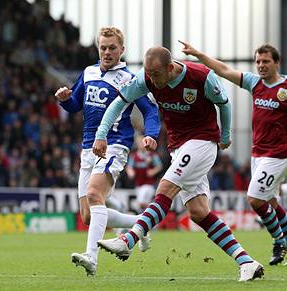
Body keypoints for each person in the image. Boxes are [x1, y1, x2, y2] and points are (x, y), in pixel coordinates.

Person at [93, 46, 263, 282]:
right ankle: (247, 262)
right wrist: (101, 134)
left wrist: (224, 136)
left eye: (157, 75)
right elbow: (118, 103)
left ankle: (127, 241)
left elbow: (224, 104)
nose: (152, 81)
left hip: (202, 142)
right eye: (149, 75)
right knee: (198, 212)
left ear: (170, 68)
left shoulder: (202, 77)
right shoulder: (146, 78)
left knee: (165, 188)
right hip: (178, 148)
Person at [180, 40, 287, 266]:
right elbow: (224, 70)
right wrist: (199, 54)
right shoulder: (255, 83)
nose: (261, 65)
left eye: (265, 61)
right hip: (258, 155)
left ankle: (279, 241)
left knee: (255, 200)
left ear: (277, 62)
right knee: (271, 202)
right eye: (257, 61)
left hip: (278, 156)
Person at [54, 27, 160, 276]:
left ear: (122, 50)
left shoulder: (130, 79)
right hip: (88, 147)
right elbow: (75, 104)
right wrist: (64, 99)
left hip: (114, 144)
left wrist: (150, 135)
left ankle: (91, 257)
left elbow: (150, 111)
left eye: (112, 47)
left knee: (93, 193)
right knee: (88, 216)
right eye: (103, 47)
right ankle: (140, 224)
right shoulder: (89, 72)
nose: (107, 52)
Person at [126, 134, 163, 213]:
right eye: (139, 143)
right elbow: (129, 167)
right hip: (138, 184)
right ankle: (150, 217)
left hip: (149, 184)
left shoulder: (152, 155)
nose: (141, 145)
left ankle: (148, 216)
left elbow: (159, 166)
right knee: (143, 205)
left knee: (141, 202)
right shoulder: (134, 156)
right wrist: (130, 173)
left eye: (142, 143)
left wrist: (153, 171)